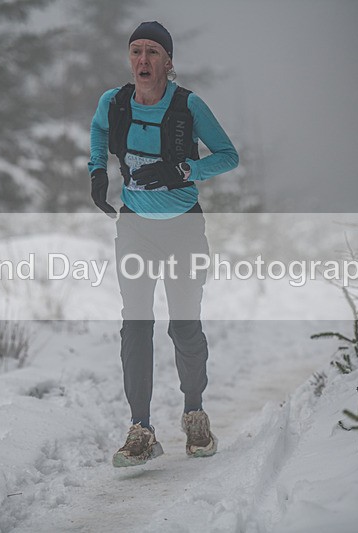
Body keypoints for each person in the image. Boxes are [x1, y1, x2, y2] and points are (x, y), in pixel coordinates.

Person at [88, 21, 239, 467]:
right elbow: (99, 134)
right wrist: (97, 171)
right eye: (136, 51)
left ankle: (194, 415)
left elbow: (228, 155)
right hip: (135, 227)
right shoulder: (114, 103)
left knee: (184, 325)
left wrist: (184, 171)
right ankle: (140, 428)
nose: (143, 60)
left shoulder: (189, 105)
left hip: (183, 229)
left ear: (168, 62)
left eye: (153, 52)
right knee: (136, 325)